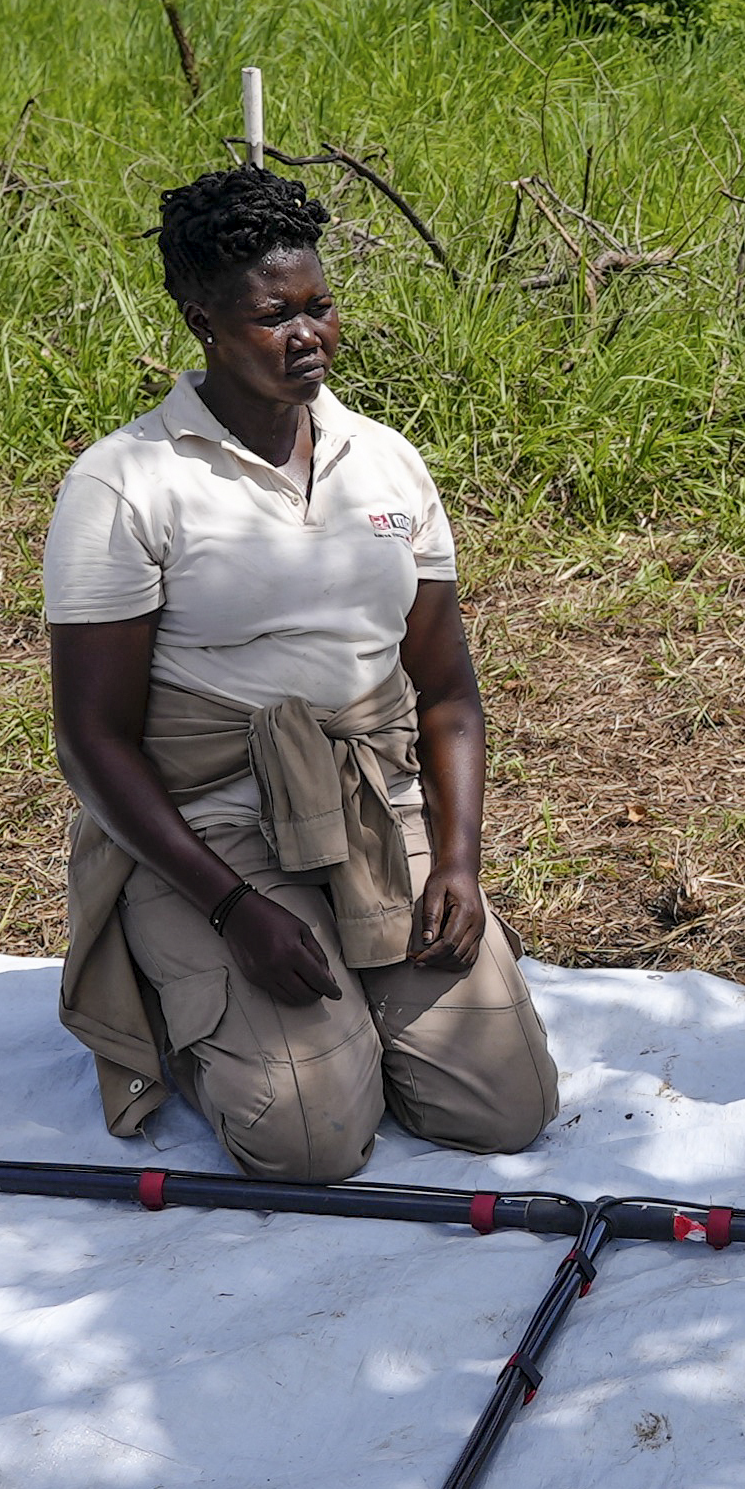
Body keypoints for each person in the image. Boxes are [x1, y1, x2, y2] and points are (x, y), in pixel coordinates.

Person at [44, 164, 559, 1181]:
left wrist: (455, 860)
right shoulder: (128, 481)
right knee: (308, 1138)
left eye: (319, 305)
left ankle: (357, 1002)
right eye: (272, 317)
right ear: (203, 323)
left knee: (506, 1110)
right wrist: (231, 906)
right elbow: (91, 739)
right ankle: (173, 994)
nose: (307, 334)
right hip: (216, 827)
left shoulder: (384, 463)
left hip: (372, 809)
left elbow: (446, 688)